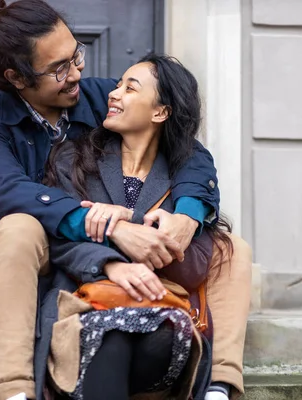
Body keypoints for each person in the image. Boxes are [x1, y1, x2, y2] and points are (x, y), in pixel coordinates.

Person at [0, 1, 252, 400]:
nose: (77, 72)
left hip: (98, 263)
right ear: (17, 78)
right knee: (18, 224)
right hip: (40, 258)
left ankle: (220, 386)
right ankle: (14, 390)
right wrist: (112, 231)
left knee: (232, 248)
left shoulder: (95, 97)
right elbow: (5, 189)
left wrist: (188, 214)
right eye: (60, 68)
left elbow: (186, 148)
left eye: (76, 55)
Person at [42, 53, 232, 400]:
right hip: (88, 306)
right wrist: (109, 262)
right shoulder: (74, 159)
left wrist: (136, 227)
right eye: (117, 85)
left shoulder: (185, 178)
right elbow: (56, 240)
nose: (114, 94)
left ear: (160, 112)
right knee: (111, 337)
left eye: (130, 88)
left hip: (158, 312)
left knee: (147, 333)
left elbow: (196, 264)